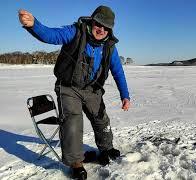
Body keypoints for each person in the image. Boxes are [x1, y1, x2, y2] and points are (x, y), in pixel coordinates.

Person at [18, 5, 130, 179]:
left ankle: (106, 148)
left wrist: (125, 95)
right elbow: (51, 35)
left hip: (92, 89)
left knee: (101, 119)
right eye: (98, 25)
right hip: (69, 88)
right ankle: (76, 163)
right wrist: (34, 25)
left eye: (106, 27)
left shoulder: (109, 47)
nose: (101, 30)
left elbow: (118, 72)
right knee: (72, 122)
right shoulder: (75, 32)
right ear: (92, 22)